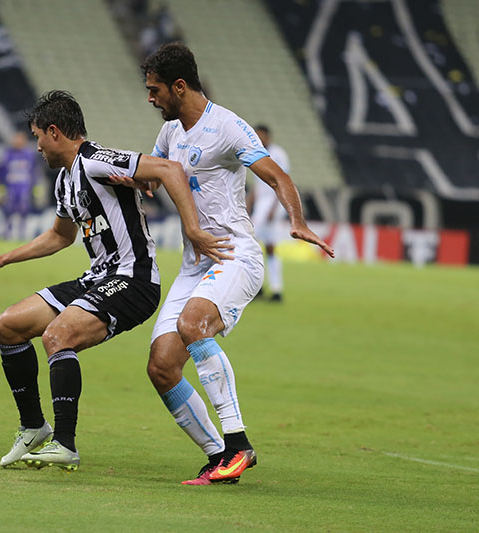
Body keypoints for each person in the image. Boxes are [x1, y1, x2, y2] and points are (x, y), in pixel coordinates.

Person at [0, 90, 230, 471]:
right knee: (8, 326)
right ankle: (33, 427)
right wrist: (3, 259)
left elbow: (170, 170)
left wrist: (193, 228)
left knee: (58, 336)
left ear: (54, 132)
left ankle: (65, 443)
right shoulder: (64, 180)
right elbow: (60, 236)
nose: (37, 147)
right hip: (97, 278)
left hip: (134, 279)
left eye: (38, 136)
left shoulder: (96, 160)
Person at [112, 43, 334, 485]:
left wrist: (296, 221)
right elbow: (156, 176)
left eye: (155, 90)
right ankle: (219, 456)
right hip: (194, 265)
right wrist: (131, 180)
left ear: (179, 86)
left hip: (233, 254)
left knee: (193, 324)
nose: (150, 98)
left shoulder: (227, 127)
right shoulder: (170, 132)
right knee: (161, 366)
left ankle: (238, 445)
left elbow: (277, 176)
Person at [248, 125, 290, 302]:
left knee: (255, 244)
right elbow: (258, 184)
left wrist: (275, 207)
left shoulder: (278, 154)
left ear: (268, 136)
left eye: (261, 135)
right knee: (264, 246)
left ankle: (266, 288)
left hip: (272, 204)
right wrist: (250, 202)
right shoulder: (255, 152)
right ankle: (272, 289)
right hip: (261, 205)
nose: (259, 138)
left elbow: (283, 181)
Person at [0, 131, 42, 238]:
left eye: (21, 139)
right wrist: (0, 190)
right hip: (10, 189)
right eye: (16, 139)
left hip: (24, 189)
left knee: (24, 212)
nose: (18, 141)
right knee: (7, 212)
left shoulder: (29, 155)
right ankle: (6, 233)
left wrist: (36, 190)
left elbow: (34, 173)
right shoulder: (7, 154)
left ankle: (22, 233)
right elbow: (1, 174)